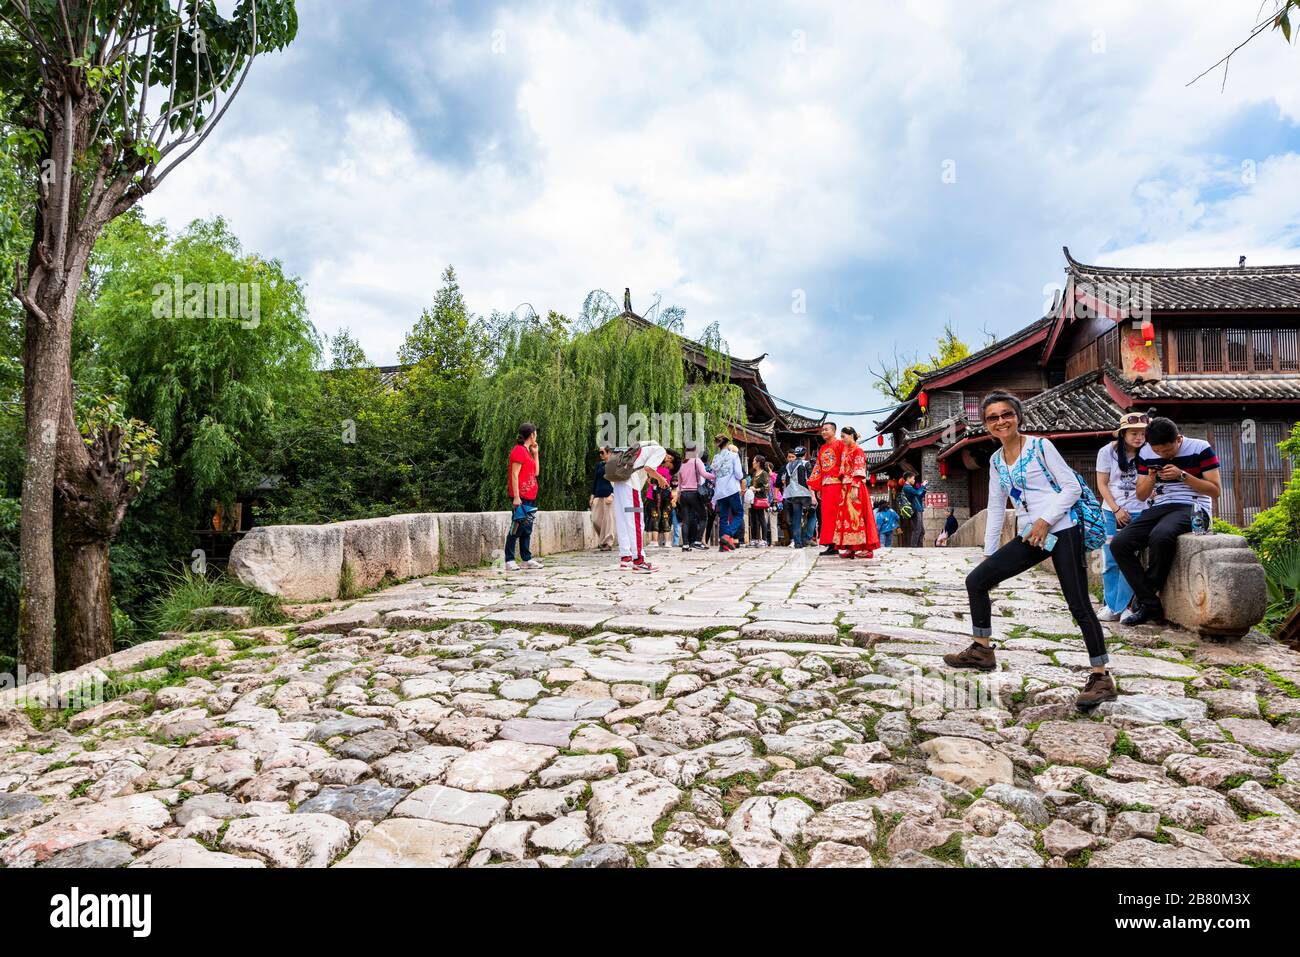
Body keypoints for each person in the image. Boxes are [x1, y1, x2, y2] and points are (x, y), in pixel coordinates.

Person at [945, 391, 1117, 711]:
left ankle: (1101, 676)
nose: (1001, 421)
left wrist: (1045, 519)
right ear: (986, 424)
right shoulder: (997, 461)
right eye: (993, 417)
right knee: (977, 580)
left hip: (1063, 527)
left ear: (1018, 416)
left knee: (1078, 604)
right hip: (1031, 535)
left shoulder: (1040, 446)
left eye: (1006, 414)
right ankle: (982, 650)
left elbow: (1071, 487)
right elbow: (996, 508)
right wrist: (990, 553)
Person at [1110, 416, 1221, 626]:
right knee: (1120, 543)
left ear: (1178, 439)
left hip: (1194, 506)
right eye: (1157, 451)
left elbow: (1215, 491)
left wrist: (1183, 476)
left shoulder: (1200, 448)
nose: (1162, 455)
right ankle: (1151, 604)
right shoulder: (1146, 452)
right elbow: (1141, 496)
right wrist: (1151, 478)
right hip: (1160, 506)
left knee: (1160, 536)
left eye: (1167, 451)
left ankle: (1144, 602)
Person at [1094, 412, 1149, 621]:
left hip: (1140, 510)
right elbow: (1102, 483)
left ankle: (1125, 606)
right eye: (1134, 433)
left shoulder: (1149, 452)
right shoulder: (1107, 452)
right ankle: (1111, 605)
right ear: (1123, 434)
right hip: (1111, 511)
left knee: (1130, 560)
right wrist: (1116, 509)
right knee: (1109, 560)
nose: (1139, 438)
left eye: (1143, 434)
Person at [610, 440, 669, 572]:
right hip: (630, 487)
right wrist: (661, 478)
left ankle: (626, 558)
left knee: (623, 521)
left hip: (618, 485)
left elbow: (644, 469)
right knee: (635, 522)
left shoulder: (640, 448)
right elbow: (649, 468)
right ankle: (639, 561)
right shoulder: (660, 450)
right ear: (668, 457)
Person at [833, 426, 880, 558]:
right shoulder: (845, 451)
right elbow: (843, 470)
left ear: (851, 435)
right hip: (845, 487)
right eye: (841, 437)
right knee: (847, 517)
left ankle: (867, 548)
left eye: (844, 436)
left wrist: (855, 486)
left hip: (856, 487)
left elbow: (859, 469)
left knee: (858, 517)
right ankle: (851, 548)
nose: (842, 439)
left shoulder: (858, 450)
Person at [504, 422, 543, 571]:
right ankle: (509, 559)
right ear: (532, 435)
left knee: (527, 528)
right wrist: (516, 496)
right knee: (516, 527)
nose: (536, 436)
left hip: (531, 496)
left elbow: (536, 472)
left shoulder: (527, 452)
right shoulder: (518, 451)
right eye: (535, 433)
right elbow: (514, 474)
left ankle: (526, 559)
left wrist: (536, 453)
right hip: (521, 496)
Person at [807, 421, 845, 556]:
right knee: (826, 516)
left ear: (834, 431)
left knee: (837, 515)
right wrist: (817, 487)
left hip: (838, 485)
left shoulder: (841, 444)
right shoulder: (822, 448)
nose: (823, 432)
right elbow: (818, 468)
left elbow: (845, 463)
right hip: (826, 486)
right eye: (822, 430)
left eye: (826, 429)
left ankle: (839, 543)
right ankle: (831, 544)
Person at [676, 443, 714, 552]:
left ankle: (685, 545)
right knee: (704, 517)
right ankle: (698, 541)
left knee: (686, 520)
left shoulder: (681, 464)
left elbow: (679, 483)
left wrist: (678, 495)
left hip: (683, 494)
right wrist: (715, 476)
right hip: (694, 494)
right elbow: (704, 474)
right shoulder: (697, 461)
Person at [710, 434, 743, 551]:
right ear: (728, 444)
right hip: (731, 489)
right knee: (739, 513)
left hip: (719, 491)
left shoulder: (715, 458)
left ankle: (723, 545)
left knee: (723, 517)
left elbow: (713, 476)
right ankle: (727, 536)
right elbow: (739, 474)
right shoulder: (734, 456)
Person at [781, 447, 815, 547]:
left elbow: (786, 481)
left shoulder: (788, 465)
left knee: (796, 517)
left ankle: (797, 542)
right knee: (812, 514)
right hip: (804, 493)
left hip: (793, 494)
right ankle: (807, 538)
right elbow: (809, 480)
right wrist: (813, 495)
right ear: (804, 455)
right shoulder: (806, 464)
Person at [644, 450, 676, 548]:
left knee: (665, 517)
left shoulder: (670, 469)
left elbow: (674, 484)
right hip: (653, 496)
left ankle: (666, 541)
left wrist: (675, 496)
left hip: (665, 496)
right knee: (655, 516)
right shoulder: (653, 466)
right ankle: (655, 541)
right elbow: (649, 480)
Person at [590, 446, 616, 551]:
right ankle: (603, 539)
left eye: (602, 452)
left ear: (609, 452)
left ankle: (608, 543)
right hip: (598, 495)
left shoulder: (614, 464)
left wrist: (613, 494)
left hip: (609, 494)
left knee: (608, 520)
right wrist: (592, 495)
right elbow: (595, 480)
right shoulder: (599, 465)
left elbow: (618, 481)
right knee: (595, 519)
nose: (600, 454)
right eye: (599, 453)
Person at [748, 456, 772, 545]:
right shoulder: (754, 473)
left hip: (760, 498)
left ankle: (764, 539)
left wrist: (757, 489)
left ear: (758, 463)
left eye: (754, 461)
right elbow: (751, 484)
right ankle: (754, 539)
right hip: (753, 499)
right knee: (753, 519)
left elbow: (767, 488)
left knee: (761, 518)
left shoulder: (764, 473)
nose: (752, 462)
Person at [901, 473, 928, 547]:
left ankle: (919, 547)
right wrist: (922, 486)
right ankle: (914, 547)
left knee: (922, 531)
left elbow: (919, 496)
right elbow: (918, 493)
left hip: (918, 509)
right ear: (908, 478)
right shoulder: (906, 487)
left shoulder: (910, 487)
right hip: (915, 510)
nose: (914, 480)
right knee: (917, 530)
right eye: (913, 478)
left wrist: (924, 489)